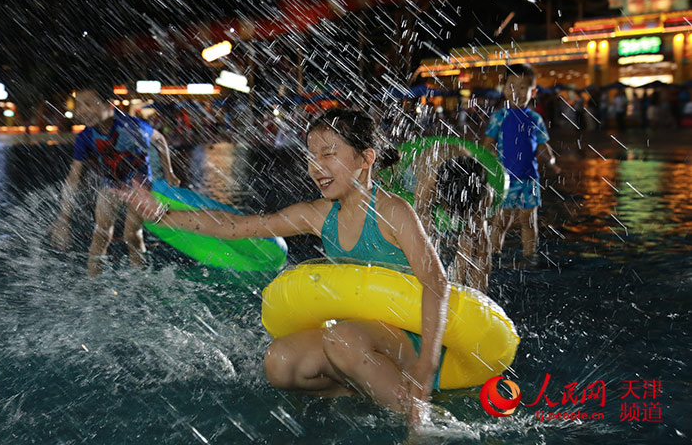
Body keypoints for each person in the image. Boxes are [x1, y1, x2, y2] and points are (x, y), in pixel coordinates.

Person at [120, 109, 448, 424]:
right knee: (279, 362)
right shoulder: (319, 215)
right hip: (356, 338)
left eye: (328, 154)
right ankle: (358, 388)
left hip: (411, 336)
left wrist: (427, 364)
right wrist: (163, 216)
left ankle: (420, 423)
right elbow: (237, 226)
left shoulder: (393, 211)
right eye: (311, 155)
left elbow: (437, 282)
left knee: (342, 339)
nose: (315, 166)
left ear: (366, 159)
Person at [50, 85, 180, 276]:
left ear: (109, 104)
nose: (83, 111)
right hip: (112, 184)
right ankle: (92, 283)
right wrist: (63, 218)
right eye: (79, 106)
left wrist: (169, 173)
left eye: (89, 104)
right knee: (100, 234)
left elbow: (159, 140)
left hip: (140, 184)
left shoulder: (130, 125)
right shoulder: (85, 137)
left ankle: (139, 281)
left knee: (131, 234)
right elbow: (73, 177)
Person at [483, 65, 561, 260]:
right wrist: (485, 164)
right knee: (502, 220)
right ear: (504, 89)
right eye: (511, 86)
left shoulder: (535, 119)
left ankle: (529, 256)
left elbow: (543, 145)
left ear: (533, 92)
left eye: (523, 87)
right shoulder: (499, 117)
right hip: (505, 179)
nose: (516, 92)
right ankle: (494, 253)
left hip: (529, 178)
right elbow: (487, 145)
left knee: (529, 220)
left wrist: (551, 161)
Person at [403, 144, 493, 292]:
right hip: (414, 173)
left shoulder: (484, 192)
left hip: (459, 175)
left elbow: (469, 238)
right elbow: (424, 233)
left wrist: (457, 284)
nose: (458, 217)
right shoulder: (428, 183)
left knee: (481, 243)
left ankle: (480, 297)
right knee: (424, 231)